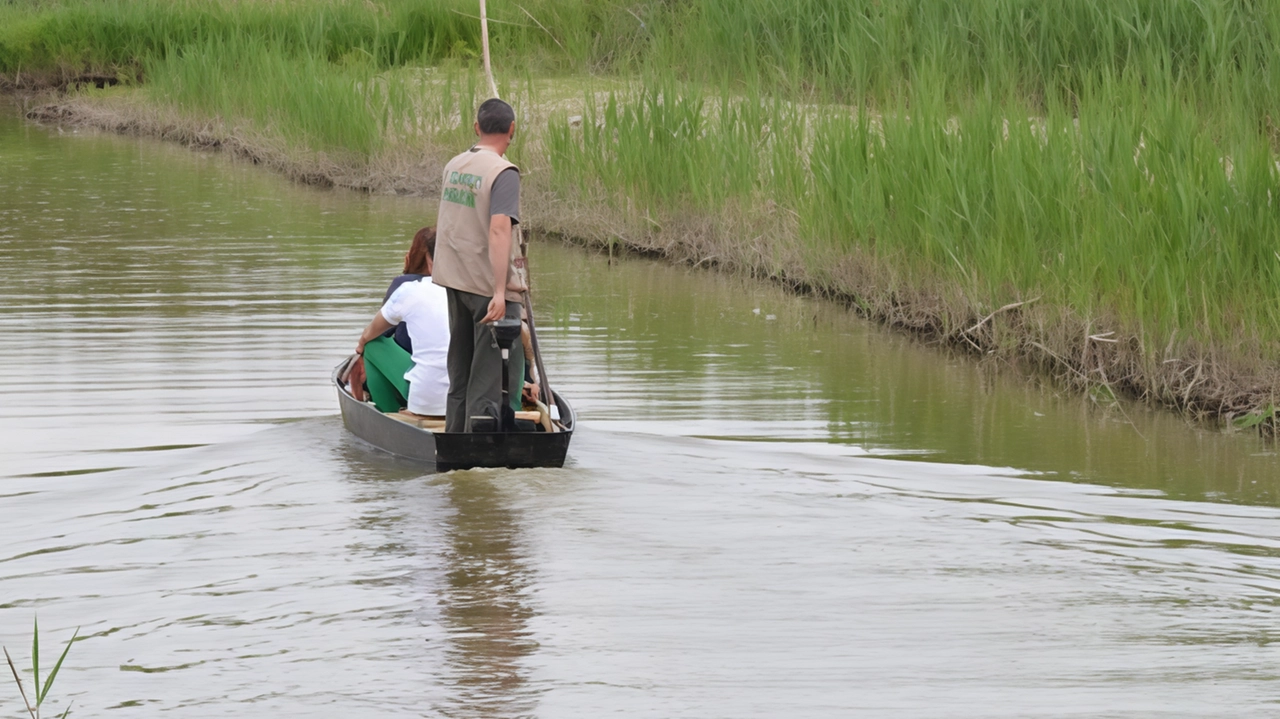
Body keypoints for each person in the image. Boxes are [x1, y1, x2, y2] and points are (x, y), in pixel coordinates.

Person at [432, 98, 529, 432]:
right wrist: (500, 292)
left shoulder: (455, 164)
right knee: (489, 383)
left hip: (454, 281)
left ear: (477, 128)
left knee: (460, 374)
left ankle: (453, 443)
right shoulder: (503, 172)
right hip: (485, 289)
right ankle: (476, 463)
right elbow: (500, 228)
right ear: (512, 130)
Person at [352, 228, 451, 417]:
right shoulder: (479, 292)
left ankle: (389, 413)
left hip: (427, 395)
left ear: (429, 259)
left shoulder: (408, 287)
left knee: (372, 344)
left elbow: (374, 334)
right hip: (475, 396)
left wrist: (360, 349)